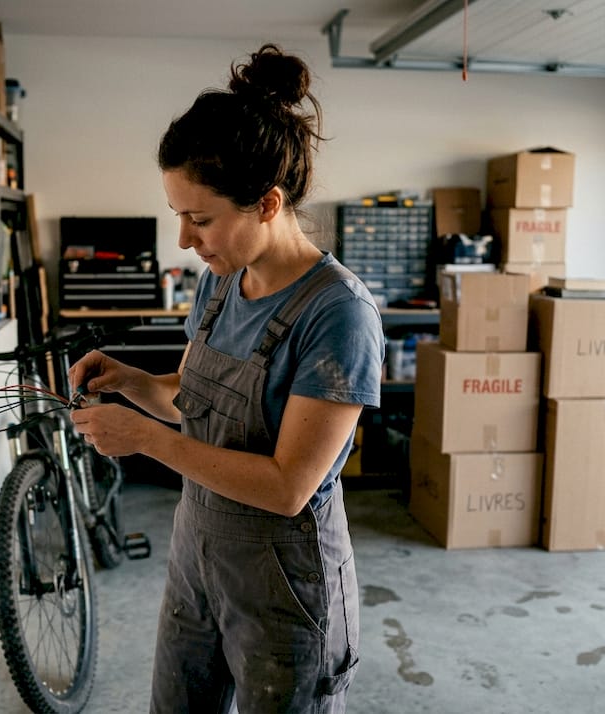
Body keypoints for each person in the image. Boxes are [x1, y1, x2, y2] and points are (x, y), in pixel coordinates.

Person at [68, 44, 383, 712]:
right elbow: (192, 401)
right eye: (178, 214)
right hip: (198, 559)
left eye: (201, 218)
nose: (184, 239)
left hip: (285, 584)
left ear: (267, 204)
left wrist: (146, 441)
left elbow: (288, 486)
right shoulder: (220, 286)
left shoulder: (337, 315)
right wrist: (130, 382)